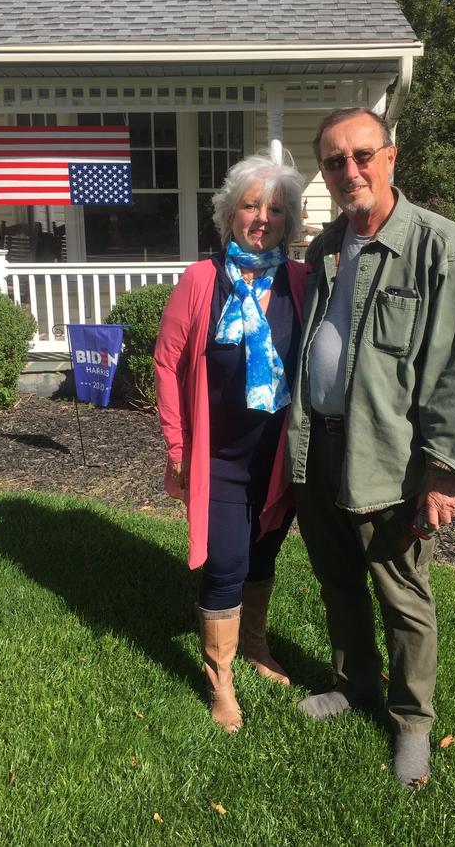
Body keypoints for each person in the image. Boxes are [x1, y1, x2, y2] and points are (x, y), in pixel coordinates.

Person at [286, 108, 455, 788]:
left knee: (401, 594)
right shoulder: (327, 247)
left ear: (391, 157)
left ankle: (412, 724)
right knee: (338, 580)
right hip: (321, 443)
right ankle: (355, 683)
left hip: (391, 458)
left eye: (362, 155)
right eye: (335, 161)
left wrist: (446, 470)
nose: (350, 170)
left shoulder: (438, 245)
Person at [154, 152, 307, 733]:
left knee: (264, 554)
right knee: (227, 564)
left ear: (289, 221)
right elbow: (166, 364)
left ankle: (255, 644)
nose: (262, 217)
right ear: (229, 214)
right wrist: (177, 445)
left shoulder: (300, 282)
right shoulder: (200, 280)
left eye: (275, 208)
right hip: (216, 458)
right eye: (251, 205)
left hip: (276, 458)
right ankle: (220, 682)